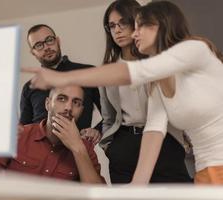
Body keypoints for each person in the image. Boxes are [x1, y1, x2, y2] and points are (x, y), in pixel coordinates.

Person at [24, 1, 223, 184]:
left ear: (161, 25)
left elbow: (133, 73)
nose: (134, 33)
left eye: (140, 26)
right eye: (113, 26)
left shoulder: (196, 49)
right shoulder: (158, 85)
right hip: (205, 170)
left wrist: (63, 78)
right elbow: (154, 130)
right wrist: (136, 185)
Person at [99, 0, 191, 183]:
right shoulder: (107, 70)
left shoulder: (158, 61)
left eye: (123, 23)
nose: (117, 30)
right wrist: (109, 146)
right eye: (112, 26)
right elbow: (108, 117)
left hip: (165, 141)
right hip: (124, 144)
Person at [0, 85, 104, 184]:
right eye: (61, 99)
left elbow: (99, 195)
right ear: (47, 104)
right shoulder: (20, 136)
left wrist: (78, 148)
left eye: (76, 103)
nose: (68, 108)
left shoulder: (85, 148)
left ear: (81, 110)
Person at [20, 24, 102, 144]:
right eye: (38, 45)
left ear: (57, 41)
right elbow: (24, 129)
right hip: (40, 157)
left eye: (49, 40)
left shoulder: (88, 73)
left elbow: (111, 116)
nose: (46, 47)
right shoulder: (29, 87)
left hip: (79, 152)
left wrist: (97, 130)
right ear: (33, 52)